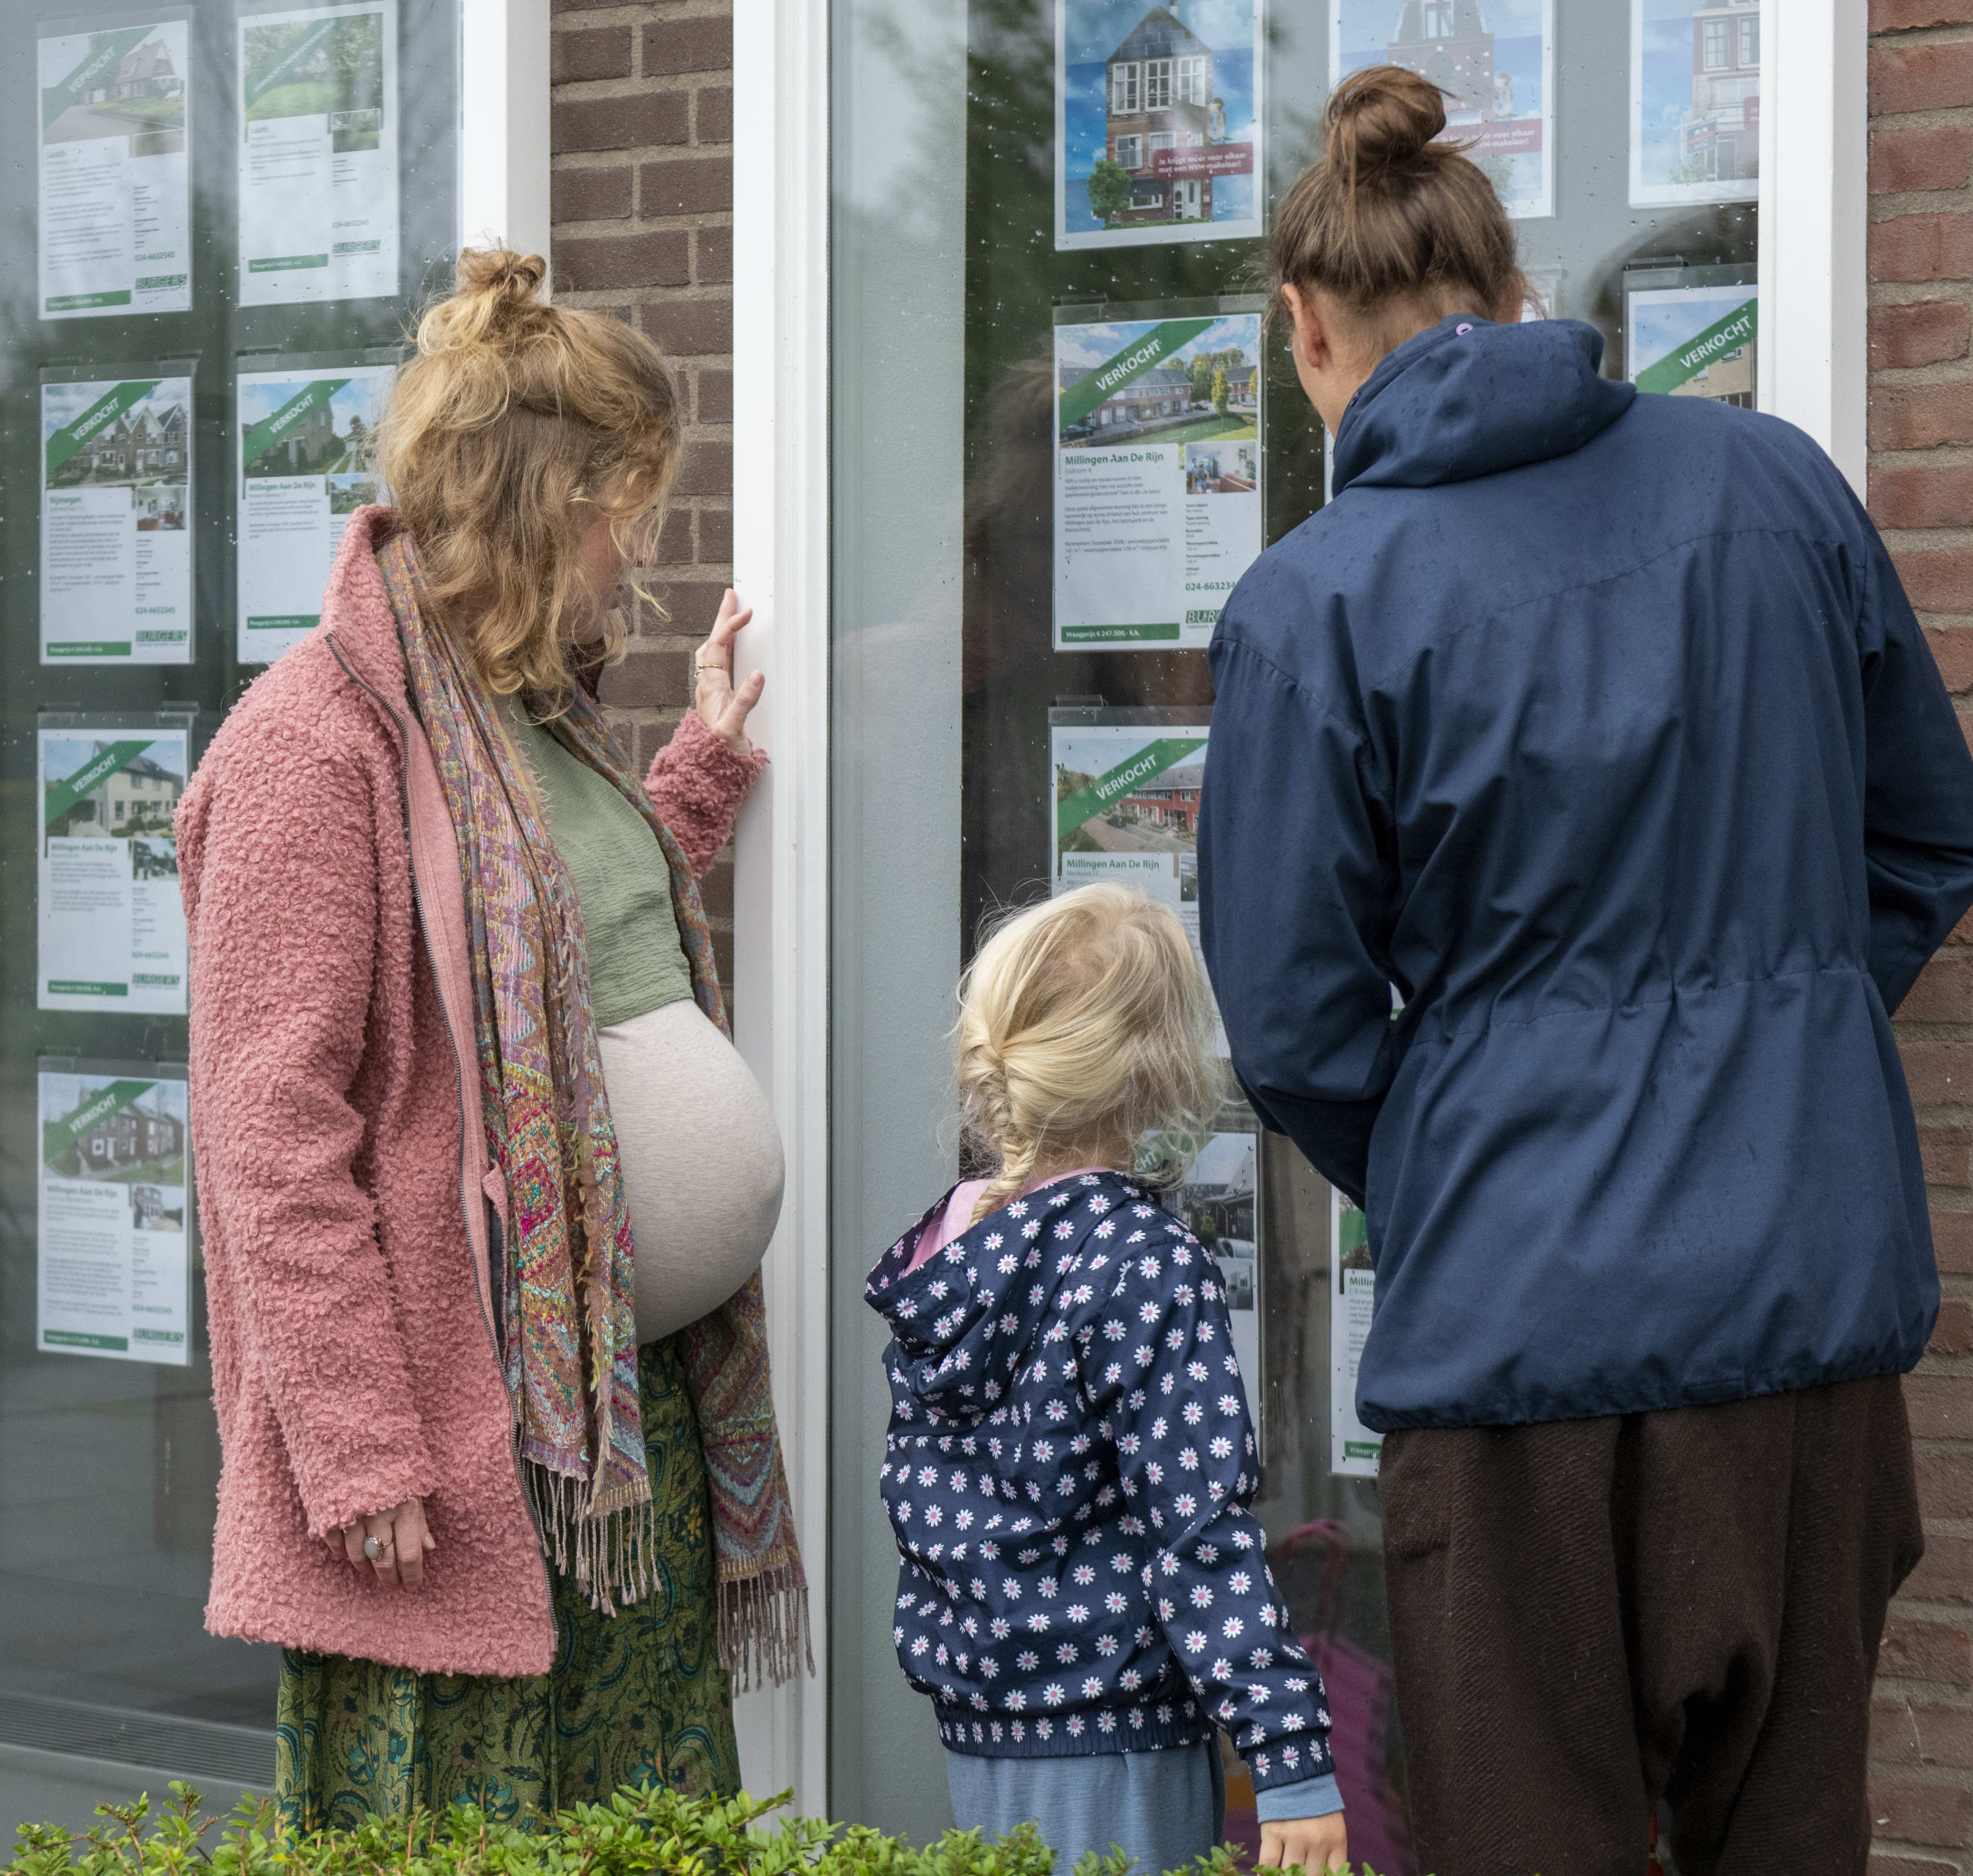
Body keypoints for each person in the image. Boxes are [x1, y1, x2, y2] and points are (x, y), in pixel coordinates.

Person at [1199, 67, 1973, 1876]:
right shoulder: (1775, 482)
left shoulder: (1317, 603)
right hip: (1805, 1311)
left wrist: (1479, 1152)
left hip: (1519, 1359)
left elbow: (1298, 1020)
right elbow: (1930, 835)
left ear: (1308, 333)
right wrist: (1782, 1033)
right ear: (1516, 293)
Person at [177, 247, 808, 1830]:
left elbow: (551, 949)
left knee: (638, 1833)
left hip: (610, 1426)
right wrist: (358, 1444)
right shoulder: (309, 745)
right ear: (542, 505)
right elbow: (266, 1125)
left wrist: (697, 777)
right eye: (623, 511)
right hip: (449, 1461)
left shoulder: (527, 716)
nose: (634, 556)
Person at [865, 884, 1349, 1873]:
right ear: (1168, 1067)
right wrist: (1289, 1757)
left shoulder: (949, 1244)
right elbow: (1197, 1527)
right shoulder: (1143, 1255)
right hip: (1119, 1737)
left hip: (981, 1731)